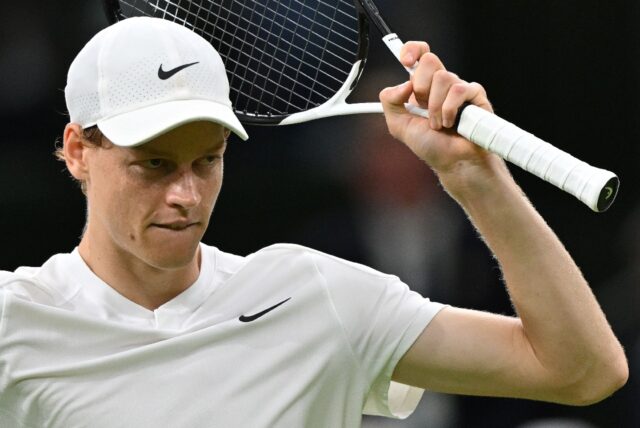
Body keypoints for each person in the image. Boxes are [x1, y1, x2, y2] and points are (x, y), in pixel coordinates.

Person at [0, 16, 627, 427]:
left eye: (208, 161)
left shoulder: (316, 296)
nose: (186, 195)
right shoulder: (14, 320)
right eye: (154, 165)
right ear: (79, 151)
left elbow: (583, 370)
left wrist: (477, 181)